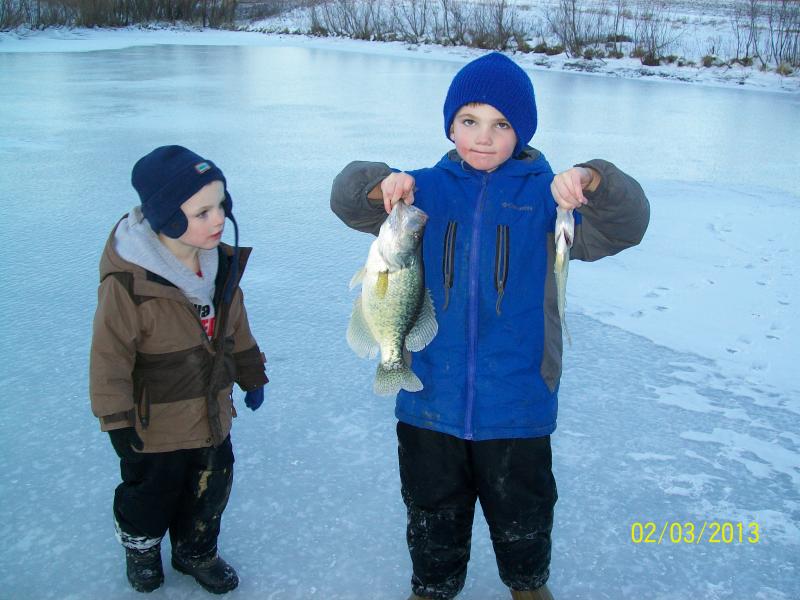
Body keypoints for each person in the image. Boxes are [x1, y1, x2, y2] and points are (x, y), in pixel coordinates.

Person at [330, 52, 649, 600]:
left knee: (524, 514)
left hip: (519, 403)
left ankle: (528, 587)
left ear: (521, 130)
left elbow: (628, 225)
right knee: (432, 516)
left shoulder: (550, 200)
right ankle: (432, 588)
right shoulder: (421, 191)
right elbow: (345, 201)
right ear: (450, 124)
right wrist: (380, 183)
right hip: (429, 398)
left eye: (502, 124)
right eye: (470, 120)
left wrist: (592, 179)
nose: (484, 136)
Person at [90, 145, 268, 594]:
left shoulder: (219, 267)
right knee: (151, 495)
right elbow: (109, 356)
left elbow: (236, 327)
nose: (218, 219)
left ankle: (195, 551)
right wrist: (115, 419)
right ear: (167, 217)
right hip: (157, 425)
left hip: (211, 412)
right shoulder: (130, 284)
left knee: (211, 489)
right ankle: (141, 546)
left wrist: (251, 370)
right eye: (202, 211)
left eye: (222, 205)